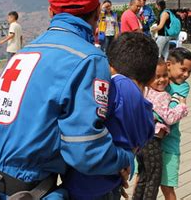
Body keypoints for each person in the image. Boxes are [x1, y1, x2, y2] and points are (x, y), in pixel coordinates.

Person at [0, 0, 134, 199]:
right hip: (27, 188)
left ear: (51, 11)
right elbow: (85, 150)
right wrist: (124, 158)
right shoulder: (88, 59)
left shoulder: (27, 51)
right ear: (98, 11)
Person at [63, 32, 157, 199]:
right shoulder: (147, 110)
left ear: (110, 66)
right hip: (112, 183)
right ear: (151, 78)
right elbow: (140, 141)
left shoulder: (116, 85)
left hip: (85, 184)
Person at [133, 58, 189, 200]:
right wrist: (182, 106)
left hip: (140, 142)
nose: (162, 80)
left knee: (143, 177)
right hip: (153, 142)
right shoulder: (162, 95)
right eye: (157, 77)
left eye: (164, 75)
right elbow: (169, 118)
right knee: (153, 179)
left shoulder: (144, 91)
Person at [160, 48, 191, 200]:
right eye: (183, 69)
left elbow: (173, 113)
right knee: (143, 180)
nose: (186, 75)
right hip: (149, 142)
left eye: (189, 71)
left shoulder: (183, 87)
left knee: (167, 186)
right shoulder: (157, 80)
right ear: (168, 65)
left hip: (169, 144)